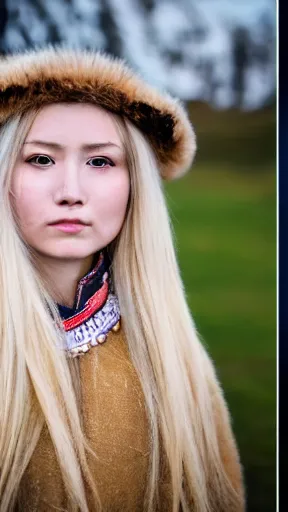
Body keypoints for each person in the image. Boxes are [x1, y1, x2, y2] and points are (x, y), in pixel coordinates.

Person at [0, 46, 245, 512]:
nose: (70, 193)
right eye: (40, 160)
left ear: (136, 185)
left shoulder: (177, 364)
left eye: (100, 162)